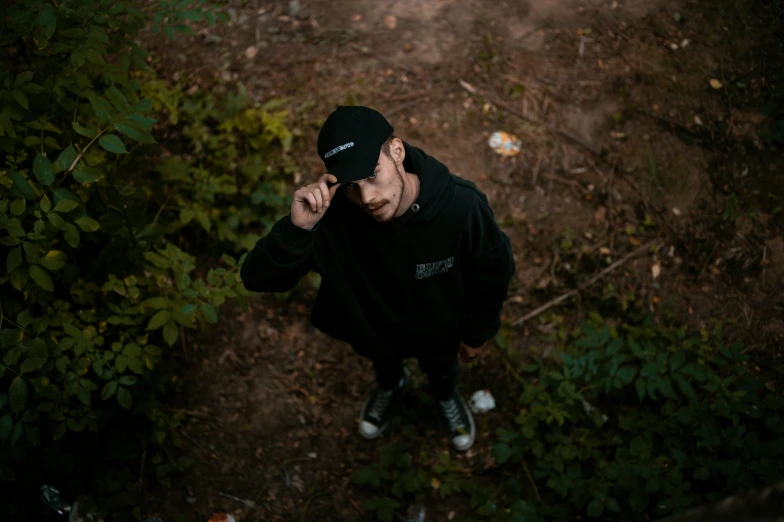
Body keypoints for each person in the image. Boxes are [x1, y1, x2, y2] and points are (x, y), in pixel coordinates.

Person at [240, 106, 515, 451]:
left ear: (397, 151)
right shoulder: (333, 220)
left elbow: (492, 272)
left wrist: (478, 332)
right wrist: (298, 230)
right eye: (352, 186)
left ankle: (445, 395)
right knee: (385, 367)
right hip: (375, 332)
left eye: (373, 174)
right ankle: (391, 384)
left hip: (441, 329)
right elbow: (257, 278)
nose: (367, 198)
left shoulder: (461, 206)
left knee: (442, 370)